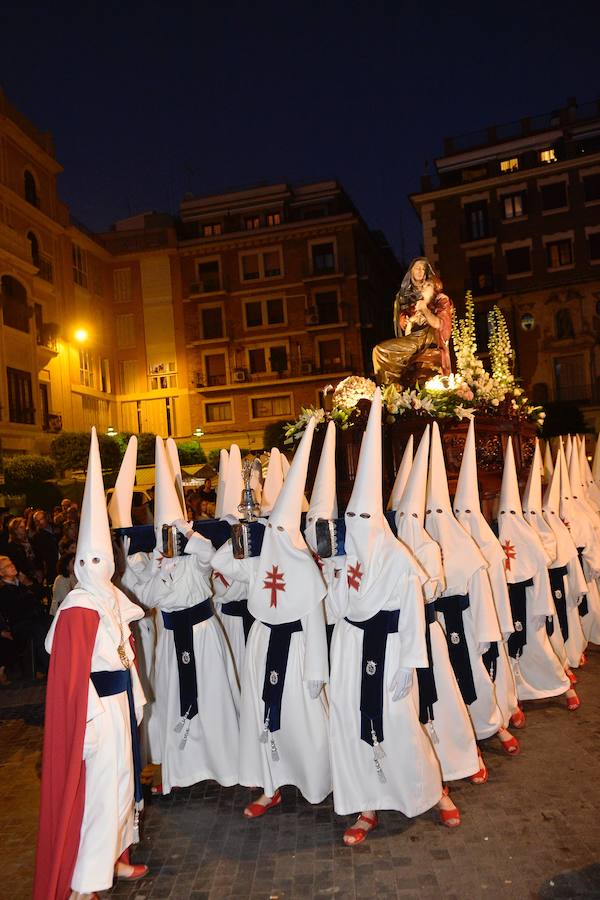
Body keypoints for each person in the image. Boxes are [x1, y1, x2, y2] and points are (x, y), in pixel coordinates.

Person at [327, 390, 456, 846]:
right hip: (350, 649)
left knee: (399, 723)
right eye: (352, 516)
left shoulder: (399, 560)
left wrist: (406, 663)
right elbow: (340, 612)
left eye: (366, 516)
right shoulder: (352, 558)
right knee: (351, 722)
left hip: (390, 649)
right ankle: (365, 804)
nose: (358, 524)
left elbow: (412, 612)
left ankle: (431, 791)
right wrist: (335, 577)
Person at [33, 427, 148, 900]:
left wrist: (136, 697)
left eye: (106, 558)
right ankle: (85, 881)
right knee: (100, 793)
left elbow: (127, 652)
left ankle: (116, 857)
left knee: (122, 788)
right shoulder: (80, 606)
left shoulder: (111, 597)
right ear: (82, 561)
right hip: (97, 712)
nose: (100, 566)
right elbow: (63, 664)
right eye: (92, 559)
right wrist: (90, 720)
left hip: (120, 703)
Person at [211, 417, 332, 818]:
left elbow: (314, 621)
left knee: (303, 719)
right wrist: (243, 530)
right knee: (263, 713)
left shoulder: (304, 568)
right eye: (271, 528)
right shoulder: (259, 559)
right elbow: (222, 564)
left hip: (296, 650)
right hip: (262, 644)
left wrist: (317, 671)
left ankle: (316, 780)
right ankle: (269, 784)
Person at [122, 437, 239, 796]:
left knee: (212, 695)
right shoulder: (149, 563)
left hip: (203, 633)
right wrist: (157, 567)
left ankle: (224, 764)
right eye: (164, 530)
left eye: (174, 529)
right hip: (172, 638)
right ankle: (179, 770)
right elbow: (144, 598)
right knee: (174, 697)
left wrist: (191, 535)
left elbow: (216, 559)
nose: (169, 537)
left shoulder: (197, 552)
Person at [373, 257, 453, 386]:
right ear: (411, 271)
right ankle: (390, 388)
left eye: (423, 269)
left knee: (382, 351)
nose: (420, 272)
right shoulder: (406, 298)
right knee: (383, 353)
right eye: (417, 268)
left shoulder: (440, 299)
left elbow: (440, 324)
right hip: (414, 339)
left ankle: (391, 387)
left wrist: (424, 311)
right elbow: (405, 324)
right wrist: (408, 320)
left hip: (427, 340)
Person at [0, 555, 49, 678]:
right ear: (1, 573)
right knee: (38, 630)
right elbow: (18, 607)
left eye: (11, 563)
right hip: (19, 625)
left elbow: (42, 592)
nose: (12, 566)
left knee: (53, 622)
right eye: (7, 566)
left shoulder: (22, 581)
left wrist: (28, 584)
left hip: (34, 618)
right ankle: (49, 667)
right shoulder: (3, 590)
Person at [50, 552, 77, 616]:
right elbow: (65, 599)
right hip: (60, 612)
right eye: (73, 562)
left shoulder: (72, 577)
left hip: (70, 609)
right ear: (66, 566)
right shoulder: (60, 579)